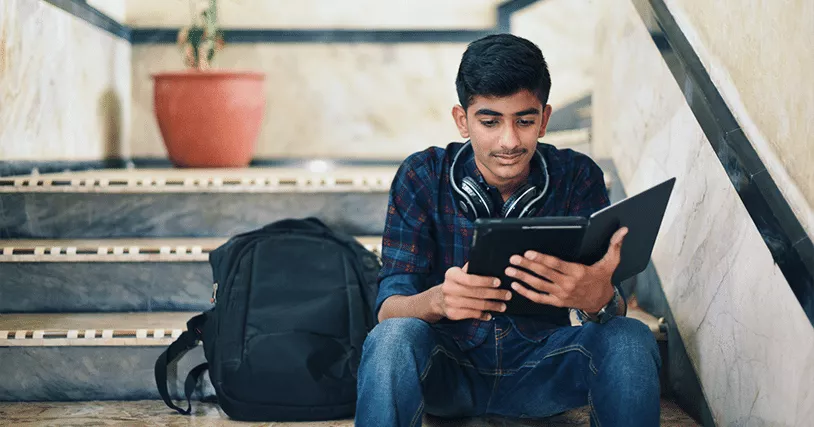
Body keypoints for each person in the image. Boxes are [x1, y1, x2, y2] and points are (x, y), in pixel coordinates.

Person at [355, 34, 661, 427]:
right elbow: (388, 311)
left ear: (545, 120)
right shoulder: (422, 175)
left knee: (631, 337)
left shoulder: (577, 176)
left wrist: (597, 298)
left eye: (525, 120)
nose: (509, 141)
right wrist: (438, 301)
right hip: (448, 371)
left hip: (542, 368)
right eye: (490, 121)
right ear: (462, 120)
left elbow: (612, 306)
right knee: (391, 341)